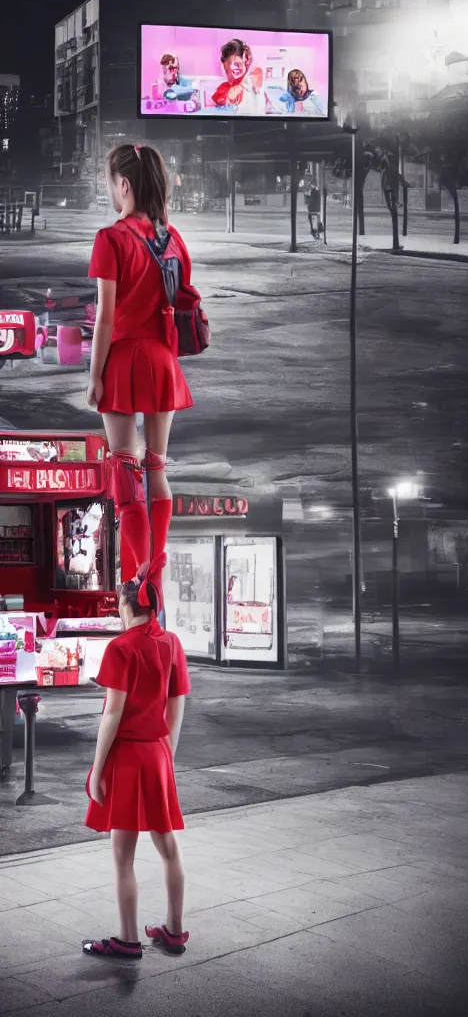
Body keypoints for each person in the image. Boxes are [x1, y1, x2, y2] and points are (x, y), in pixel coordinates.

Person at [86, 144, 196, 599]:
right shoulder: (174, 240)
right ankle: (155, 570)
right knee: (156, 468)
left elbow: (105, 319)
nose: (109, 190)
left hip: (125, 361)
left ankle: (137, 573)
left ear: (124, 184)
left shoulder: (111, 239)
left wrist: (94, 375)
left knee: (126, 471)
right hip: (163, 361)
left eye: (110, 181)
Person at [82, 562, 191, 959]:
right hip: (158, 753)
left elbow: (112, 714)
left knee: (122, 855)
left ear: (125, 608)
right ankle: (174, 931)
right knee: (168, 847)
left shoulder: (121, 647)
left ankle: (128, 940)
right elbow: (177, 705)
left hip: (127, 757)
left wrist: (97, 770)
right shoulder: (172, 643)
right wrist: (168, 754)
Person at [211, 38, 265, 114]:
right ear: (224, 64)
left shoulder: (254, 79)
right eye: (231, 64)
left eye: (238, 64)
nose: (233, 68)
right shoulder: (223, 88)